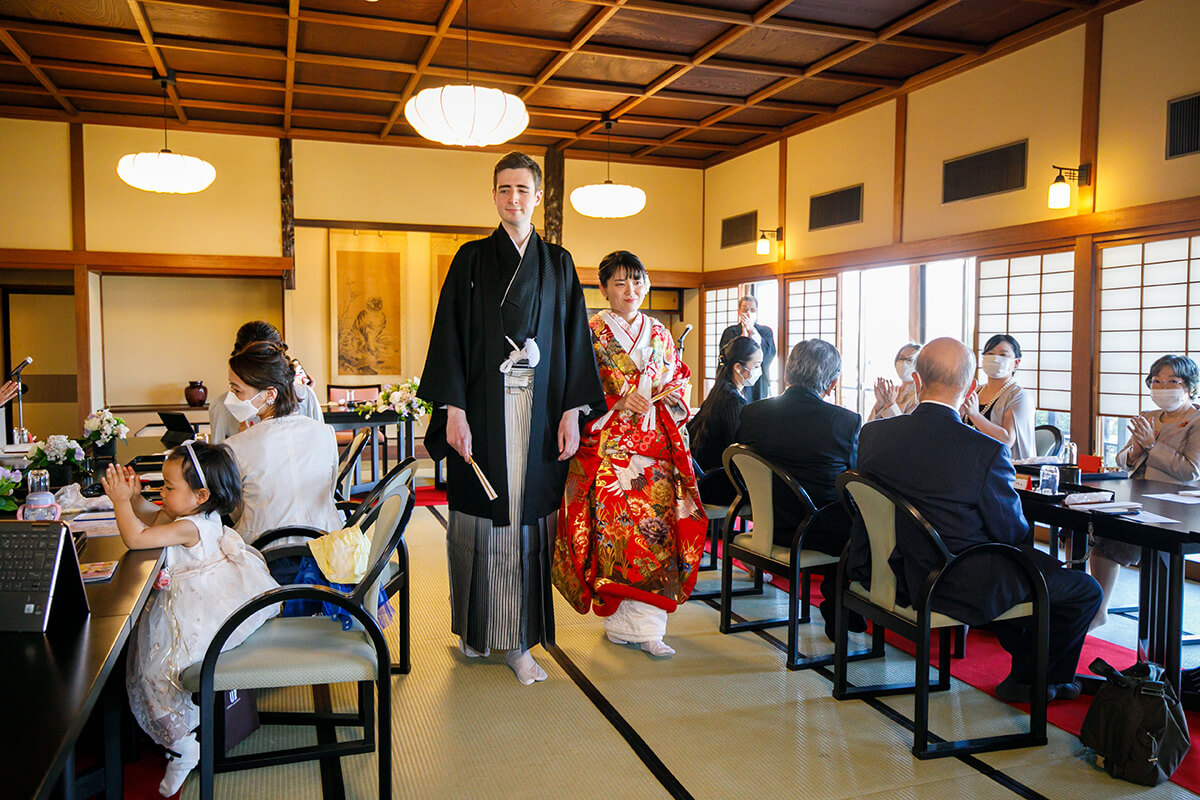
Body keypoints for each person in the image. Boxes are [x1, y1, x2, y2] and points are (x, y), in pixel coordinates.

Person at [418, 151, 605, 686]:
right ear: (494, 194)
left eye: (522, 190)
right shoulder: (471, 258)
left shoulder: (559, 263)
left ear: (538, 196)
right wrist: (453, 408)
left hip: (540, 410)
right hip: (482, 410)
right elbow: (449, 338)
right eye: (504, 189)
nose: (512, 199)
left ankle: (518, 640)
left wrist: (571, 412)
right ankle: (479, 630)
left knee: (525, 519)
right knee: (482, 520)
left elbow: (573, 342)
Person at [846, 337, 1102, 703]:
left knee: (1025, 572)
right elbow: (1011, 531)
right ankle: (1035, 680)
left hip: (886, 569)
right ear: (969, 389)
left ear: (916, 381)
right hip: (953, 582)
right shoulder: (985, 449)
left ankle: (1029, 668)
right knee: (1082, 589)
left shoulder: (874, 434)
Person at [101, 443, 279, 797]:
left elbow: (138, 537)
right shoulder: (198, 515)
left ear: (200, 495)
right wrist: (135, 499)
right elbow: (154, 519)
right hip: (200, 601)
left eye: (168, 487)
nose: (161, 493)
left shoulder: (190, 527)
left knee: (155, 672)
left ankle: (183, 744)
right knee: (153, 668)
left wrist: (121, 503)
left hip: (198, 612)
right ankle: (184, 731)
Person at [554, 251, 707, 658]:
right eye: (620, 283)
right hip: (609, 455)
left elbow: (679, 382)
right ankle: (619, 622)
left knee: (658, 540)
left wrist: (662, 398)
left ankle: (650, 630)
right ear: (602, 288)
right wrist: (616, 402)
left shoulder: (658, 332)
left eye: (638, 282)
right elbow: (571, 390)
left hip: (655, 452)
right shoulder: (588, 333)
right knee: (616, 540)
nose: (630, 291)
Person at [735, 338, 860, 637]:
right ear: (831, 384)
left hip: (766, 525)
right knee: (855, 520)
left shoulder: (754, 413)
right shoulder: (843, 421)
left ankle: (841, 600)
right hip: (820, 533)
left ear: (788, 373)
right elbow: (853, 479)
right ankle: (841, 600)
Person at [1090, 354, 1200, 630]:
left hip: (1177, 507)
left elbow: (1191, 471)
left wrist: (1152, 446)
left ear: (1190, 386)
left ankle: (1099, 611)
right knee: (1086, 531)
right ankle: (1090, 607)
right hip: (1137, 498)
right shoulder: (1149, 417)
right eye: (1157, 382)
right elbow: (1122, 458)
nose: (1163, 388)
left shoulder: (1196, 421)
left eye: (1172, 381)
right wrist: (1136, 451)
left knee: (1111, 544)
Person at [223, 341, 342, 545]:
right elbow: (328, 492)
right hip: (325, 544)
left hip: (262, 550)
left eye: (237, 390)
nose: (231, 397)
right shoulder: (325, 432)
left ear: (270, 394)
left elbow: (235, 511)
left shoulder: (236, 445)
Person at [209, 320, 322, 444]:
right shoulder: (222, 405)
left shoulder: (304, 396)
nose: (260, 369)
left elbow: (319, 445)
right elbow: (217, 459)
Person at [686, 336, 762, 507]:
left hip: (704, 478)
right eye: (756, 366)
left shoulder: (720, 391)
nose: (760, 371)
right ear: (738, 368)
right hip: (718, 485)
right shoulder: (733, 401)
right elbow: (734, 448)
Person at [960, 334, 1036, 460]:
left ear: (1016, 363)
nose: (995, 359)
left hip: (1003, 468)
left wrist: (975, 415)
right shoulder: (976, 391)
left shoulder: (1020, 397)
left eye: (1003, 355)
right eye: (990, 354)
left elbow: (1007, 440)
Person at [719, 296, 776, 401]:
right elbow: (726, 357)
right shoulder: (730, 332)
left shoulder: (765, 332)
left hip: (758, 381)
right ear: (739, 311)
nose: (749, 312)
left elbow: (769, 355)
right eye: (745, 309)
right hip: (735, 380)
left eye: (752, 310)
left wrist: (753, 332)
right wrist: (743, 336)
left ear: (757, 312)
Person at [868, 342, 921, 422]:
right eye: (901, 358)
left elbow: (906, 429)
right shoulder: (893, 391)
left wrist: (891, 404)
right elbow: (870, 425)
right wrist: (880, 403)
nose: (904, 363)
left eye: (910, 360)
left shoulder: (919, 396)